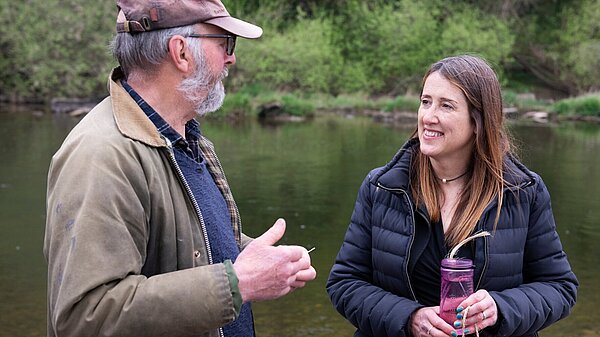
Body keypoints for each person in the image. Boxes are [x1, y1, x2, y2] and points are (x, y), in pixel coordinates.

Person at [43, 1, 316, 336]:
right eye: (224, 43)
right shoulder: (101, 156)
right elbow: (86, 317)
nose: (231, 58)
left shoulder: (184, 138)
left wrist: (252, 257)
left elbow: (183, 242)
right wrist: (237, 283)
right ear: (181, 52)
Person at [326, 55, 578, 337]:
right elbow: (345, 283)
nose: (428, 117)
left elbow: (559, 287)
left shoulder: (523, 192)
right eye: (425, 102)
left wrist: (500, 308)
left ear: (478, 120)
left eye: (446, 106)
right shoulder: (382, 187)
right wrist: (409, 318)